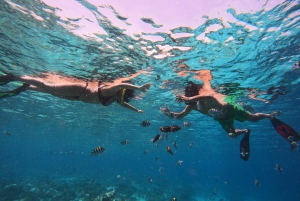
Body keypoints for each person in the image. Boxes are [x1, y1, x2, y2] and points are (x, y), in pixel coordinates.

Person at [160, 70, 275, 138]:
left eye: (189, 96)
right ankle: (245, 131)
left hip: (231, 109)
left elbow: (209, 95)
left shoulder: (207, 98)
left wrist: (188, 97)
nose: (188, 100)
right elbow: (180, 116)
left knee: (253, 118)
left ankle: (269, 115)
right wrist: (169, 114)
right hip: (222, 119)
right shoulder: (192, 106)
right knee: (232, 135)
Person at [0, 71, 151, 113]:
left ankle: (26, 87)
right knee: (47, 86)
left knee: (50, 92)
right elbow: (122, 84)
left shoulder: (115, 99)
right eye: (123, 93)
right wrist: (139, 88)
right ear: (122, 90)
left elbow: (123, 104)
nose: (121, 97)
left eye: (123, 96)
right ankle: (13, 77)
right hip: (80, 89)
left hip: (77, 97)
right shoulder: (111, 89)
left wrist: (136, 109)